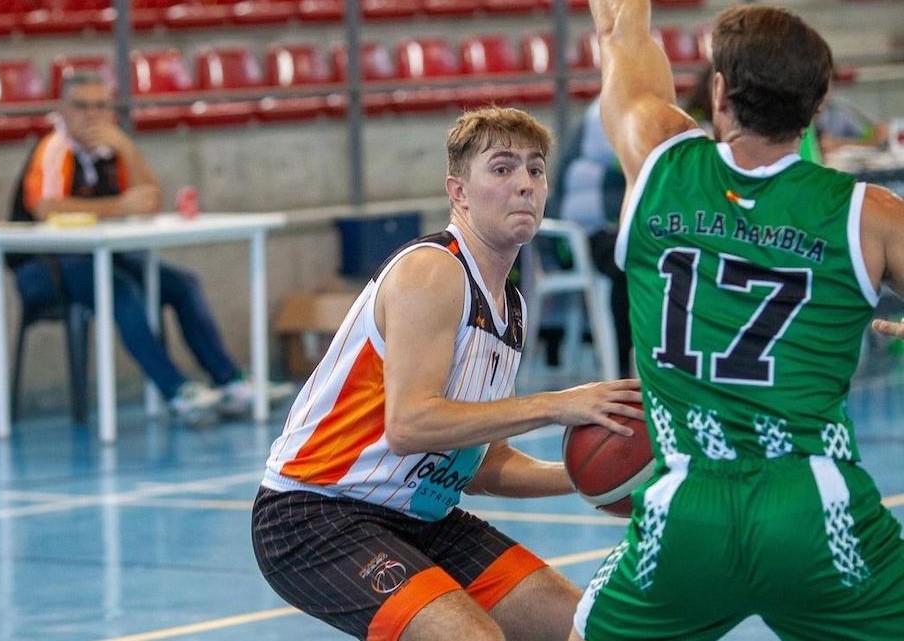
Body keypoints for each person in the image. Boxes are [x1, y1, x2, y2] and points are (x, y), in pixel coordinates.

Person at [570, 2, 904, 640]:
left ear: (719, 94)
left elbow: (618, 30)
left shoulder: (658, 161)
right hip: (815, 506)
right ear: (816, 108)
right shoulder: (872, 215)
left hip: (687, 504)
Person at [251, 106, 642, 641]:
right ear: (458, 192)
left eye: (535, 169)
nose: (524, 185)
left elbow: (479, 465)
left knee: (588, 628)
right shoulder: (433, 270)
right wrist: (558, 403)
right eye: (502, 169)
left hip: (419, 518)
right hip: (316, 514)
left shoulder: (511, 306)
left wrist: (603, 479)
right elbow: (411, 424)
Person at [8, 69, 259, 424]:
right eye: (82, 106)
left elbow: (150, 198)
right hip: (42, 268)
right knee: (119, 288)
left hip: (101, 259)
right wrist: (118, 207)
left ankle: (230, 381)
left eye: (100, 106)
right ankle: (177, 391)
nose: (92, 115)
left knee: (182, 284)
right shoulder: (53, 148)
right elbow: (46, 208)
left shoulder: (112, 149)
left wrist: (126, 147)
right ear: (63, 109)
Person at [548, 98, 632, 377]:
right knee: (627, 263)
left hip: (608, 231)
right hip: (575, 239)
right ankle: (621, 370)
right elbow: (636, 156)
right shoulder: (606, 112)